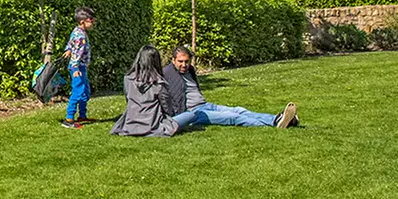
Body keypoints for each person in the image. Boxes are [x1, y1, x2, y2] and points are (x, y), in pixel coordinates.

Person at [162, 46, 298, 129]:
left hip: (205, 105)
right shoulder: (167, 74)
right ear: (173, 60)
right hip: (195, 113)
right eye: (180, 61)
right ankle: (275, 124)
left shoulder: (189, 70)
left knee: (239, 110)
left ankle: (276, 119)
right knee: (233, 117)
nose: (184, 65)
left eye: (187, 61)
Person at [111, 46, 183, 137]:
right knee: (191, 115)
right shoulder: (158, 83)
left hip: (131, 124)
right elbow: (167, 107)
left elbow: (128, 99)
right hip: (153, 125)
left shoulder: (128, 79)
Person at [62, 7, 95, 129]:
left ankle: (82, 115)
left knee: (85, 92)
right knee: (78, 92)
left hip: (81, 68)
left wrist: (68, 50)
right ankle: (69, 119)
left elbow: (71, 44)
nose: (93, 22)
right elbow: (77, 52)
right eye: (91, 20)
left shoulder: (76, 31)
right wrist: (75, 68)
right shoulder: (80, 36)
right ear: (83, 21)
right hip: (78, 68)